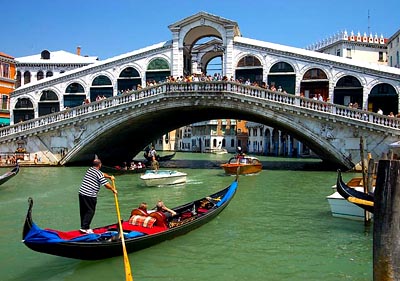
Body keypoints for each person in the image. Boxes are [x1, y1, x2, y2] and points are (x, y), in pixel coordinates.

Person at [78, 158, 116, 234]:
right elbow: (106, 184)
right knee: (90, 211)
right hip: (90, 195)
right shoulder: (98, 173)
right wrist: (113, 189)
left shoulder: (90, 169)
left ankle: (84, 227)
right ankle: (85, 228)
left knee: (84, 211)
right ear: (100, 165)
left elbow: (102, 174)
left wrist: (109, 177)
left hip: (81, 193)